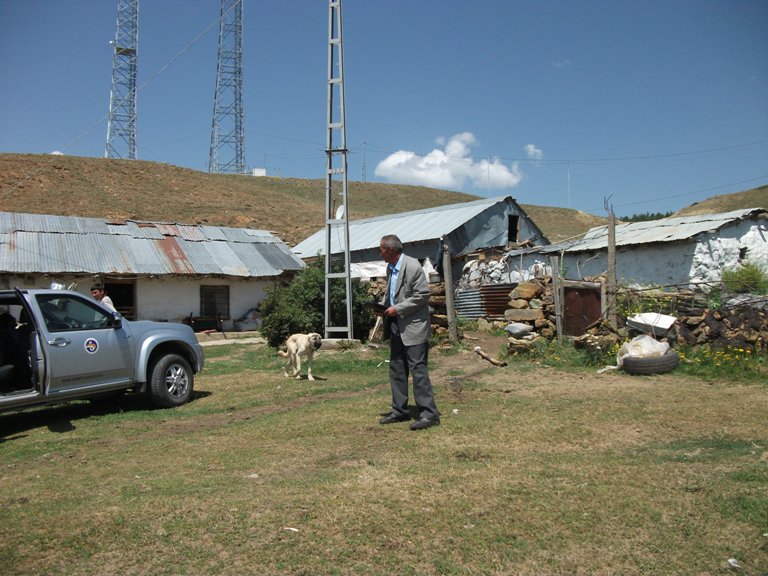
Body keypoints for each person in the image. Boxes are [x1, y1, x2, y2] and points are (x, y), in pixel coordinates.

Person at [376, 234, 440, 430]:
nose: (380, 253)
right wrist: (383, 308)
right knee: (396, 368)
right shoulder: (390, 268)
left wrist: (398, 309)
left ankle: (429, 415)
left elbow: (422, 295)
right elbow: (394, 294)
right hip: (396, 324)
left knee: (418, 370)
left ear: (390, 250)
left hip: (414, 327)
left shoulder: (412, 266)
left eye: (381, 249)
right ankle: (399, 411)